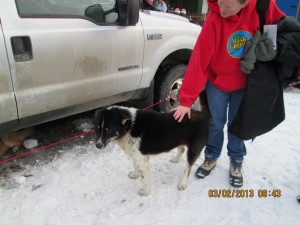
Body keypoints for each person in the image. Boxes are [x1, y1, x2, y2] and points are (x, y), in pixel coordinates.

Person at [171, 0, 285, 188]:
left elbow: (280, 26)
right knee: (215, 122)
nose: (220, 9)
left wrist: (271, 47)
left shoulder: (263, 6)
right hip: (218, 83)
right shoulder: (215, 16)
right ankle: (211, 156)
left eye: (228, 6)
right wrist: (187, 99)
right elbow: (200, 59)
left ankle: (237, 161)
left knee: (236, 124)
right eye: (219, 2)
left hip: (246, 83)